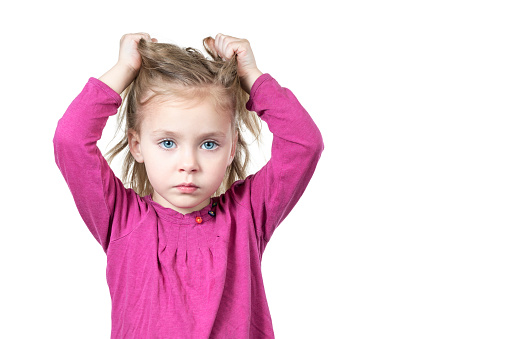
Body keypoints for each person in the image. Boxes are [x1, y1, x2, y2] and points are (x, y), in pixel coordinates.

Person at [53, 32, 324, 338]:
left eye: (208, 144)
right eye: (168, 142)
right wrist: (124, 69)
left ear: (232, 147)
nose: (189, 163)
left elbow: (304, 144)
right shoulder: (120, 218)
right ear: (137, 145)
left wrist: (251, 76)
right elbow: (70, 140)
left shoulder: (246, 217)